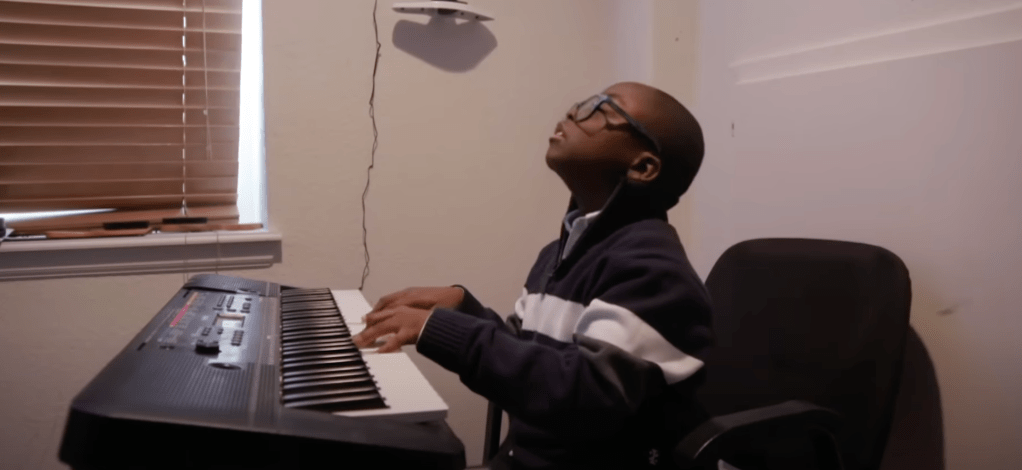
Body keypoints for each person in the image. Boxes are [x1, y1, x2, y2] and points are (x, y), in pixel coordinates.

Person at [353, 82, 713, 470]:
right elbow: (532, 360)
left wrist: (440, 332)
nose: (575, 111)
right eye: (582, 102)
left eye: (603, 108)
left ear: (642, 167)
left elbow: (584, 394)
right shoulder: (558, 254)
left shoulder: (652, 271)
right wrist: (464, 309)